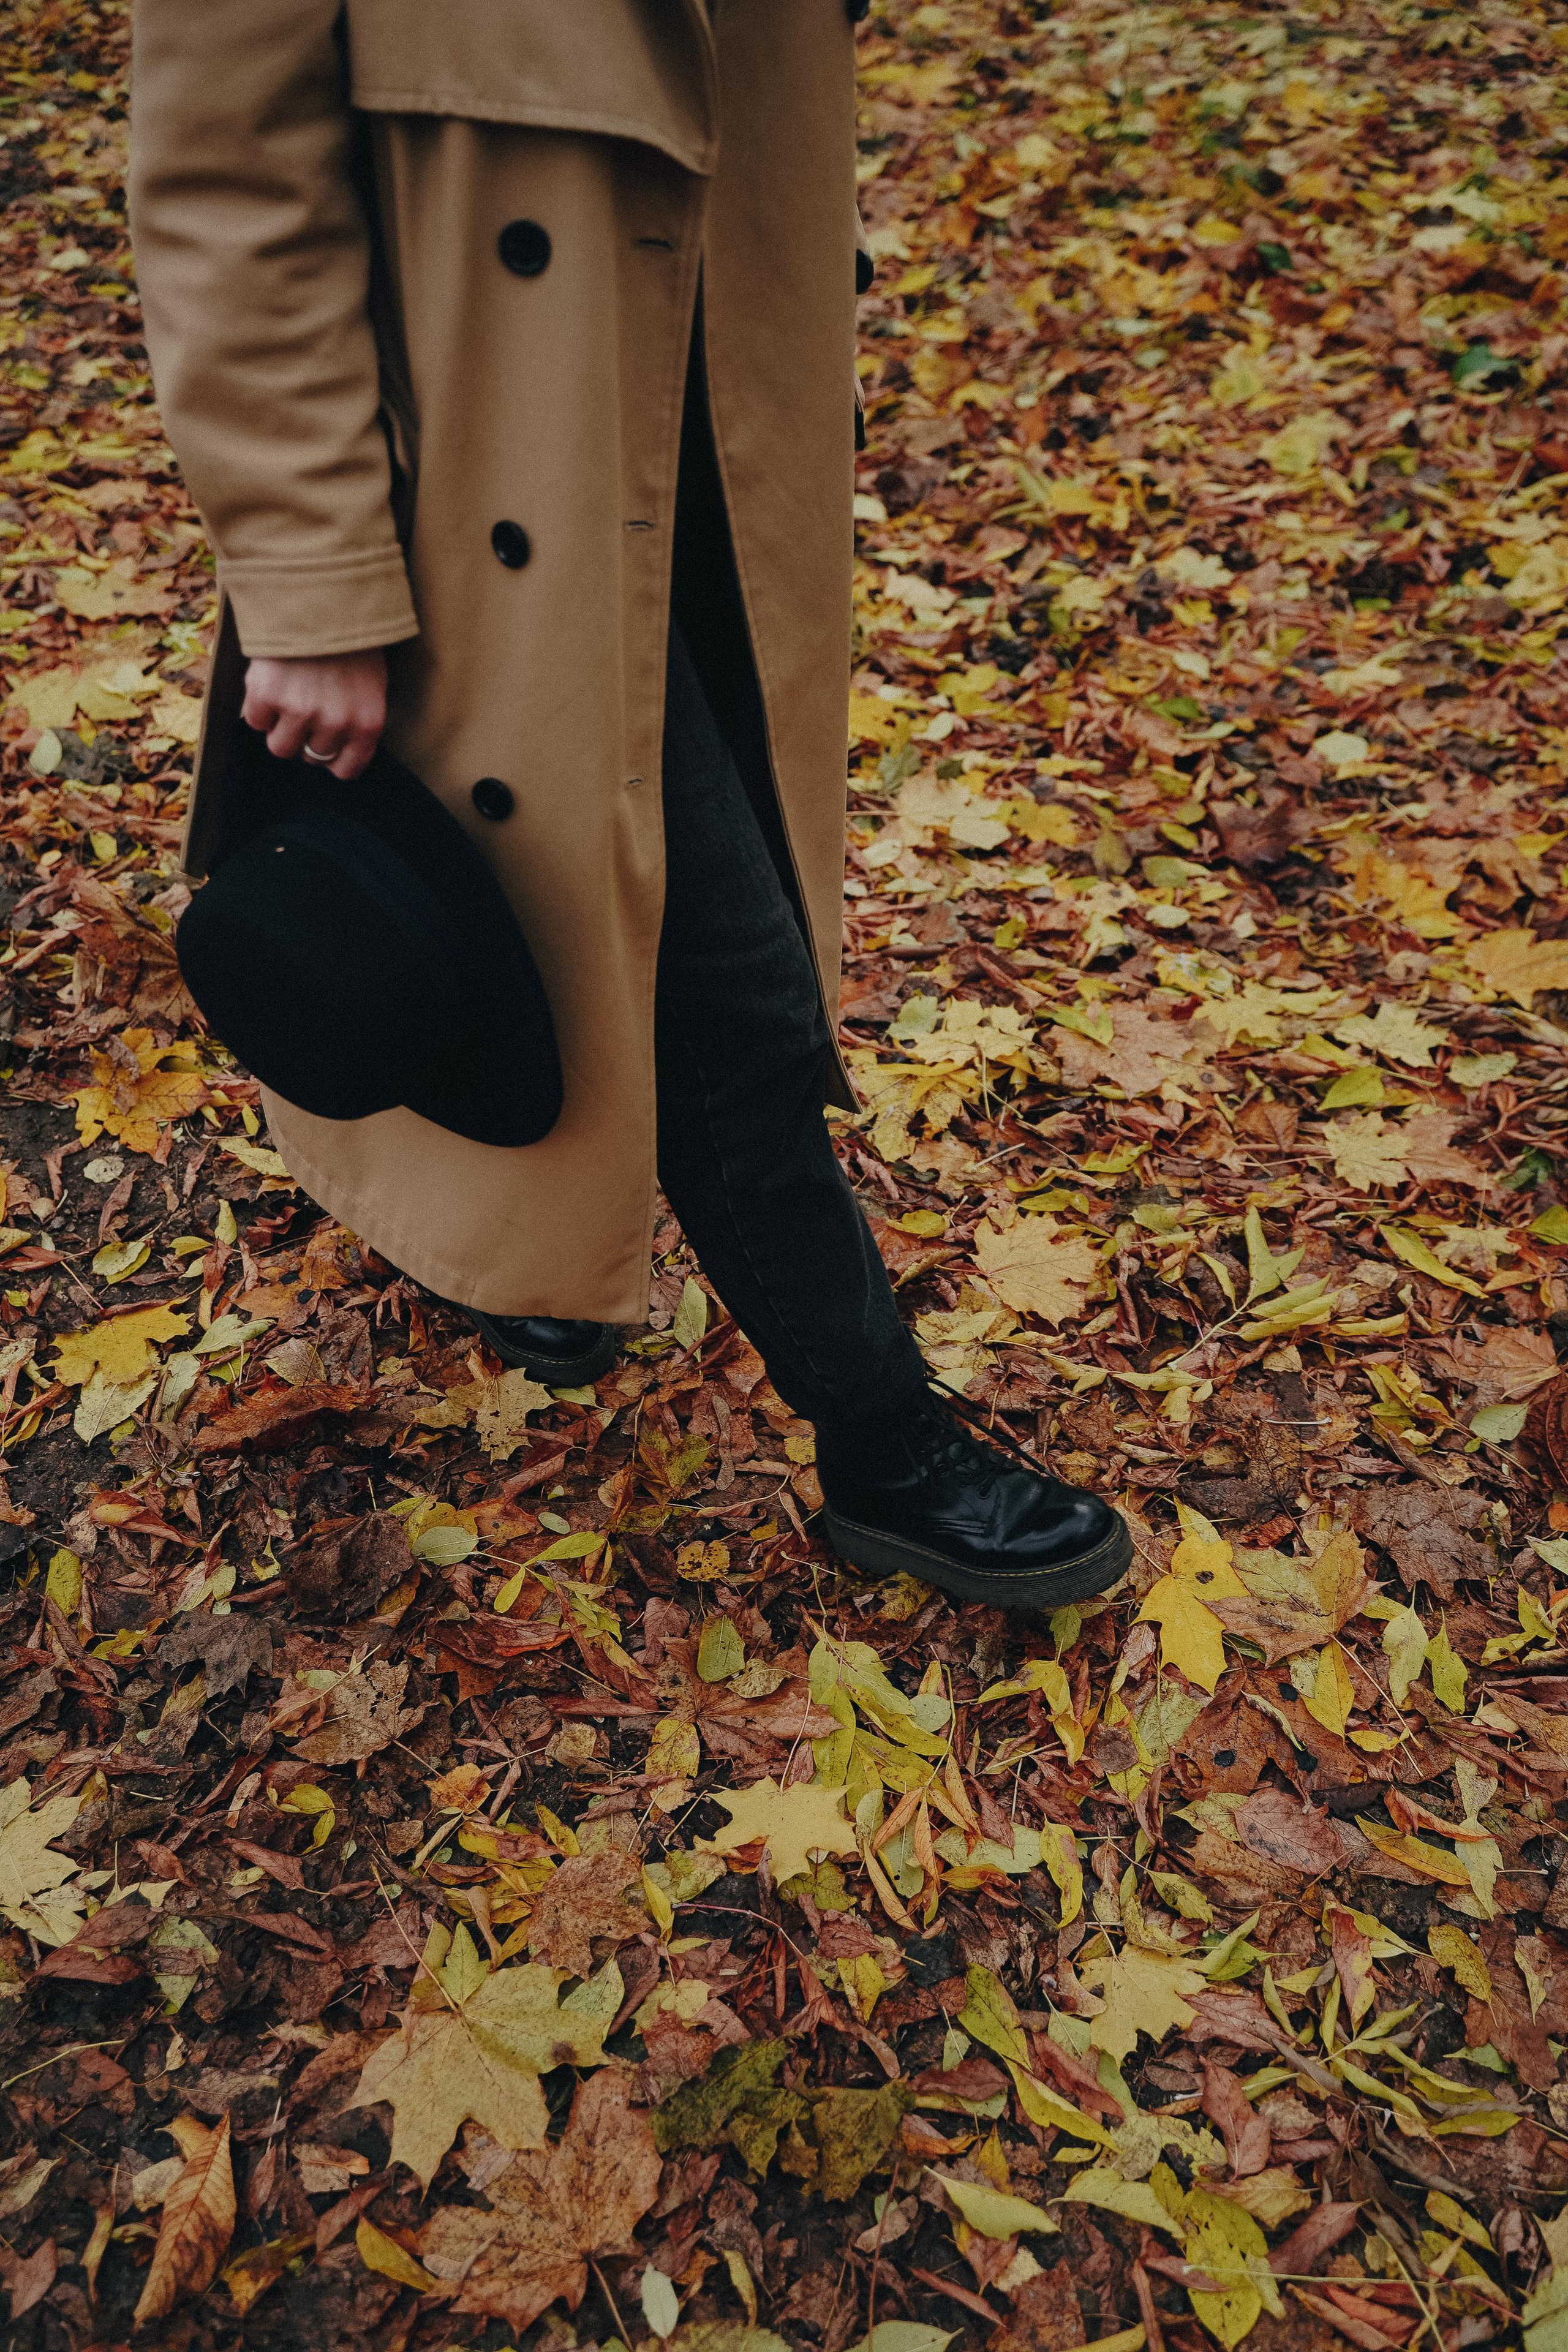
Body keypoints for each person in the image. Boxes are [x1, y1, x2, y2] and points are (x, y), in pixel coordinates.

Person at [127, 0, 1129, 1609]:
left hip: (719, 436)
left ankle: (545, 1246)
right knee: (708, 977)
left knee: (590, 928)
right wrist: (310, 579)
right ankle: (885, 1443)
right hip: (487, 487)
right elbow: (223, 183)